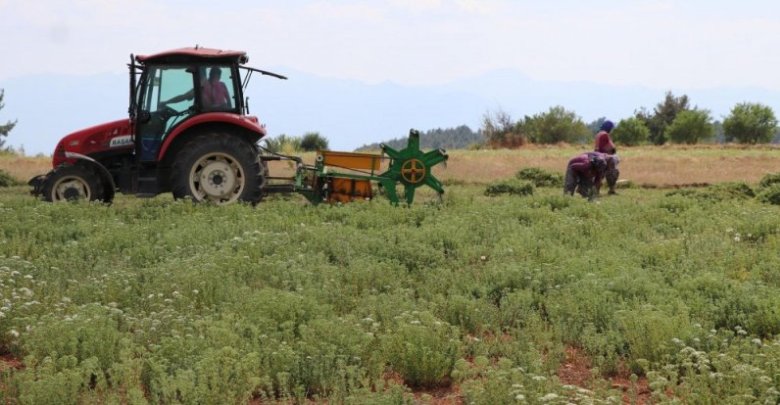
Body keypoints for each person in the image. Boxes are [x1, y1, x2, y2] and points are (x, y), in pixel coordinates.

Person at [162, 67, 230, 109]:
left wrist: (166, 102)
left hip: (208, 117)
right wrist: (167, 102)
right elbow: (184, 96)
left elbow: (184, 97)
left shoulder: (203, 87)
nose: (216, 80)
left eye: (217, 77)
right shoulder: (202, 87)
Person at [594, 120, 620, 194]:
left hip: (598, 156)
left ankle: (596, 191)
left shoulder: (598, 134)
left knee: (600, 175)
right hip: (604, 157)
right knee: (613, 172)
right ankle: (611, 189)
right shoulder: (605, 134)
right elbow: (611, 149)